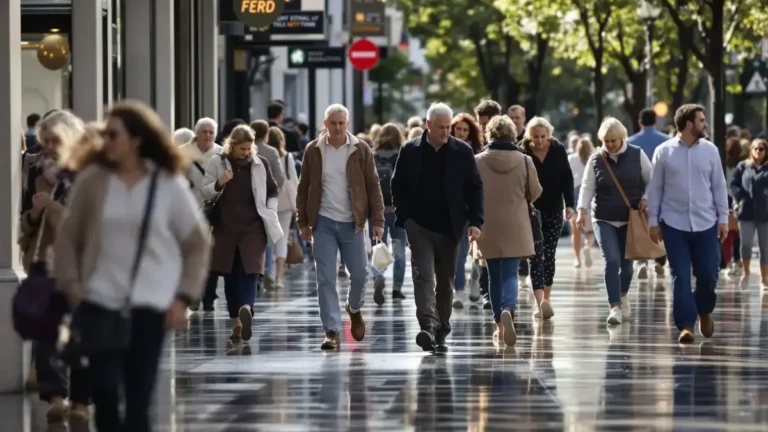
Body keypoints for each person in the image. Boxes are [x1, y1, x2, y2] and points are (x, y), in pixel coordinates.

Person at [54, 100, 210, 432]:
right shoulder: (94, 180)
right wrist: (71, 284)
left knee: (139, 402)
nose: (104, 141)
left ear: (136, 139)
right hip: (99, 299)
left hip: (150, 304)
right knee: (106, 392)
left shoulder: (166, 184)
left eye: (112, 135)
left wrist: (183, 297)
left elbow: (196, 243)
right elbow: (68, 236)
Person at [392, 102, 484, 352]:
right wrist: (405, 216)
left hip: (450, 226)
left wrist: (475, 221)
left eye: (448, 127)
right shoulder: (410, 150)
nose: (446, 132)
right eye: (441, 127)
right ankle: (427, 326)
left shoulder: (462, 152)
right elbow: (397, 184)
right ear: (428, 125)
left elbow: (474, 187)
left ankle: (441, 327)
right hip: (418, 225)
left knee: (446, 280)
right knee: (423, 275)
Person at [296, 104, 385, 350]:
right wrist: (302, 221)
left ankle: (354, 308)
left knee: (360, 273)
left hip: (352, 223)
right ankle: (332, 331)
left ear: (347, 124)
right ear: (325, 124)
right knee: (325, 278)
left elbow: (373, 186)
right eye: (333, 123)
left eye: (341, 123)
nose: (337, 127)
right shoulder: (313, 150)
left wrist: (378, 220)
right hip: (322, 221)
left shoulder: (360, 149)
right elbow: (303, 187)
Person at [20, 110, 90, 423]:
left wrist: (53, 206)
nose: (48, 146)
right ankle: (56, 395)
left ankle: (80, 400)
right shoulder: (34, 169)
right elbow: (26, 224)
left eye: (55, 140)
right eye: (45, 140)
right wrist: (34, 214)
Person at [647, 104, 729, 344]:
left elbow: (719, 186)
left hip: (706, 223)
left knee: (708, 274)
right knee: (679, 276)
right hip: (674, 223)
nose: (705, 124)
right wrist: (653, 221)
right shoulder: (663, 152)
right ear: (688, 123)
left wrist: (723, 219)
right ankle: (686, 325)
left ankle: (703, 310)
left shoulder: (711, 151)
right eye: (701, 120)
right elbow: (655, 189)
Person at [201, 125, 282, 340]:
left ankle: (247, 308)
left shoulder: (260, 164)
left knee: (251, 271)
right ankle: (237, 323)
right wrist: (220, 182)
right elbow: (204, 190)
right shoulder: (217, 162)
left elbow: (273, 189)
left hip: (253, 228)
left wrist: (270, 209)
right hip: (226, 228)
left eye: (249, 148)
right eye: (242, 149)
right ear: (232, 145)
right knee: (230, 275)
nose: (246, 153)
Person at [577, 117, 652, 325]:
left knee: (626, 266)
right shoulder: (596, 159)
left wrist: (645, 198)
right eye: (605, 141)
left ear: (622, 138)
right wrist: (581, 210)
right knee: (611, 260)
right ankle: (614, 307)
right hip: (604, 217)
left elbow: (651, 180)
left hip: (630, 219)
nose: (609, 145)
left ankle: (623, 293)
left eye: (613, 141)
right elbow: (587, 186)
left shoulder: (637, 154)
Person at [475, 115, 541, 346]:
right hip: (516, 223)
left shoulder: (478, 161)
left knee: (493, 274)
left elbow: (471, 192)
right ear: (513, 134)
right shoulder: (525, 161)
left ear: (489, 134)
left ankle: (500, 327)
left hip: (487, 224)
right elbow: (535, 192)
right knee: (511, 273)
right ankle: (509, 308)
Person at [519, 116, 574, 320]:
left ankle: (546, 300)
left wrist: (570, 205)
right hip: (529, 211)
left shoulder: (558, 150)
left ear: (549, 135)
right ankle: (538, 301)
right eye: (535, 137)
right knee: (536, 255)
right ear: (529, 136)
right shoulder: (521, 150)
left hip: (553, 209)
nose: (539, 141)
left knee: (549, 253)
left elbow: (567, 178)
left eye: (543, 136)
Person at [628, 108, 670, 279]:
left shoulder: (630, 142)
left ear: (639, 122)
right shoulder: (667, 141)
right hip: (662, 189)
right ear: (655, 122)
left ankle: (642, 261)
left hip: (637, 189)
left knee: (640, 225)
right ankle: (660, 259)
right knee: (660, 223)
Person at [369, 123, 408, 304]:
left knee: (379, 247)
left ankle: (378, 276)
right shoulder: (402, 155)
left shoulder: (372, 156)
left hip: (377, 212)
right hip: (398, 211)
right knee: (399, 250)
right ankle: (397, 288)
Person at [450, 113, 484, 308]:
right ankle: (458, 291)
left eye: (465, 130)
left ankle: (474, 279)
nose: (461, 133)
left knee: (480, 252)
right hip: (460, 209)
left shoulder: (478, 152)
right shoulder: (450, 150)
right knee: (461, 252)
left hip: (478, 206)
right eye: (459, 129)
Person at [730, 138, 768, 289]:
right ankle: (746, 272)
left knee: (765, 247)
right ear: (751, 150)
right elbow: (734, 184)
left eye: (761, 149)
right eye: (755, 148)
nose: (758, 151)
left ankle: (764, 279)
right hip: (746, 212)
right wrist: (740, 197)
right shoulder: (743, 166)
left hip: (765, 213)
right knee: (745, 244)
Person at [266, 125, 299, 289]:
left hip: (268, 200)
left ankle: (268, 273)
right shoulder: (287, 157)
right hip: (285, 201)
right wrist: (296, 205)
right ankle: (279, 276)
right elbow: (293, 181)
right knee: (282, 237)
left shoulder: (263, 155)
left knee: (268, 238)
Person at [179, 117, 223, 206]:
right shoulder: (182, 151)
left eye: (211, 132)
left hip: (212, 206)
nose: (208, 135)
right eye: (204, 131)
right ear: (197, 133)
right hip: (189, 203)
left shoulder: (222, 153)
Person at [568, 137, 596, 268]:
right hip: (589, 197)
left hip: (574, 195)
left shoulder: (571, 159)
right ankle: (588, 246)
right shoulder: (594, 158)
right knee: (590, 232)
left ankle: (577, 259)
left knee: (575, 231)